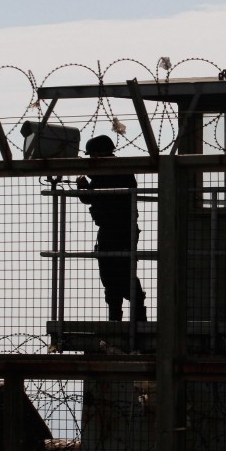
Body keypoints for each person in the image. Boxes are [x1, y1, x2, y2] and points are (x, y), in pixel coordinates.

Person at [76, 135, 146, 321]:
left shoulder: (116, 169)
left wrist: (85, 185)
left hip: (119, 230)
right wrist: (83, 188)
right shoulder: (110, 171)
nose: (91, 160)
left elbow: (98, 192)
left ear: (100, 153)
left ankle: (129, 316)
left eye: (92, 156)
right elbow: (92, 196)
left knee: (120, 273)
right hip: (114, 229)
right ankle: (122, 316)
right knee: (112, 275)